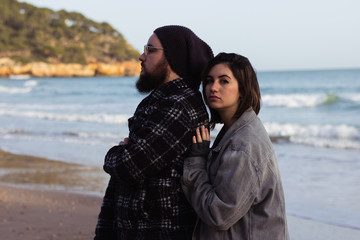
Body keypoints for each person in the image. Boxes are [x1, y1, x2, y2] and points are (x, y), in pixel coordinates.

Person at [94, 25, 213, 240]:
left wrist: (114, 154)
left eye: (150, 50)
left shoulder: (180, 106)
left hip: (159, 231)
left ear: (173, 57)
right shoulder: (159, 101)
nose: (142, 56)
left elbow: (130, 166)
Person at [182, 53, 289, 239]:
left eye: (224, 81)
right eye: (209, 81)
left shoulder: (242, 145)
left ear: (243, 89)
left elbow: (219, 215)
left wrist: (197, 162)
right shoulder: (236, 130)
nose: (213, 88)